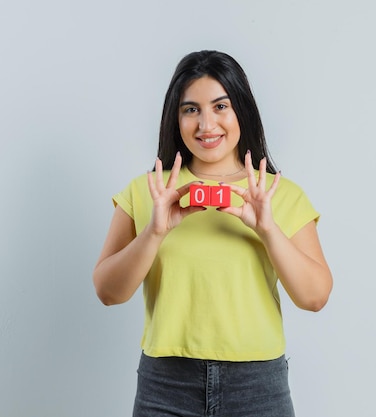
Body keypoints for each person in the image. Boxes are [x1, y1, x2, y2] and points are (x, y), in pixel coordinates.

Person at [93, 50, 333, 417]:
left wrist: (267, 229)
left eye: (220, 106)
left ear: (242, 110)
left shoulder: (278, 194)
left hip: (258, 386)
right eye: (191, 109)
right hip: (166, 384)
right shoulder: (147, 192)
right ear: (175, 118)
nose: (206, 124)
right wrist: (155, 231)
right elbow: (108, 292)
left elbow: (315, 297)